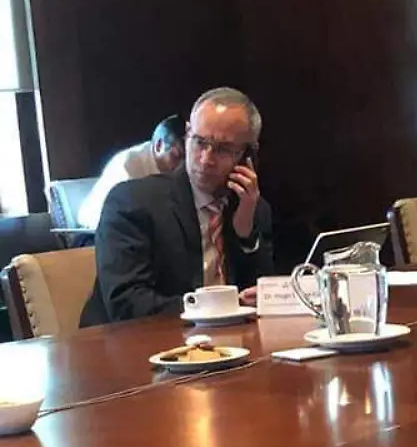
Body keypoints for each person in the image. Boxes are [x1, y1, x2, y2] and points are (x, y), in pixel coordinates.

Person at [80, 88, 274, 327]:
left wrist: (246, 235)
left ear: (247, 155)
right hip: (134, 340)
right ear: (187, 134)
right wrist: (216, 307)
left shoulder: (252, 207)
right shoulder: (132, 202)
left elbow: (263, 296)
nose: (206, 159)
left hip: (222, 341)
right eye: (200, 142)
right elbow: (127, 304)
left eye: (223, 149)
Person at [76, 115, 187, 229]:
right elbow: (128, 215)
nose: (182, 165)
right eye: (177, 156)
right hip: (97, 229)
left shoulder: (177, 171)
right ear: (159, 146)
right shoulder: (129, 164)